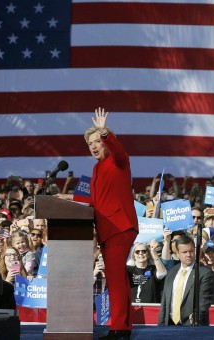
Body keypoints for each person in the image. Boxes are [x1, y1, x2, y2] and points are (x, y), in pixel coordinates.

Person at [76, 108, 139, 340]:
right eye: (90, 143)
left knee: (114, 278)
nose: (93, 146)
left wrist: (104, 132)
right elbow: (93, 201)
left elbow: (121, 153)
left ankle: (119, 329)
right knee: (117, 278)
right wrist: (61, 200)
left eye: (97, 141)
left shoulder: (116, 161)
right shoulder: (96, 168)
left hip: (119, 226)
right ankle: (123, 327)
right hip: (107, 229)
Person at [158, 235, 214, 326]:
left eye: (191, 251)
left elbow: (205, 300)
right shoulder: (172, 272)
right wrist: (161, 326)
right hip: (170, 326)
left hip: (192, 326)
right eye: (184, 252)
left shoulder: (205, 273)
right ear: (177, 254)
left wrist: (198, 315)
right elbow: (165, 302)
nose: (188, 255)